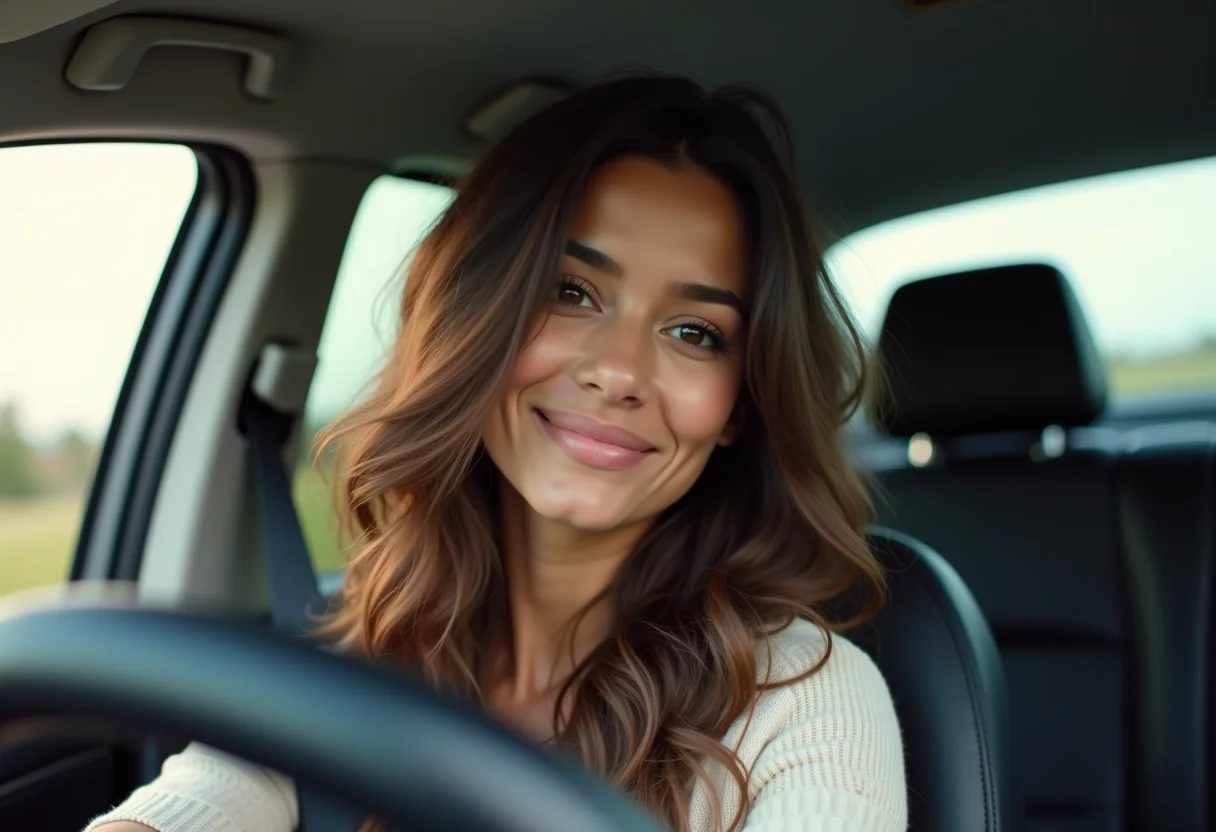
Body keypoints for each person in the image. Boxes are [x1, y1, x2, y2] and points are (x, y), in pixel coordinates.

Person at [87, 74, 906, 832]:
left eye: (694, 332)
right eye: (571, 292)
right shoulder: (349, 661)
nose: (620, 372)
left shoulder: (805, 700)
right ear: (478, 320)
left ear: (740, 406)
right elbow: (192, 804)